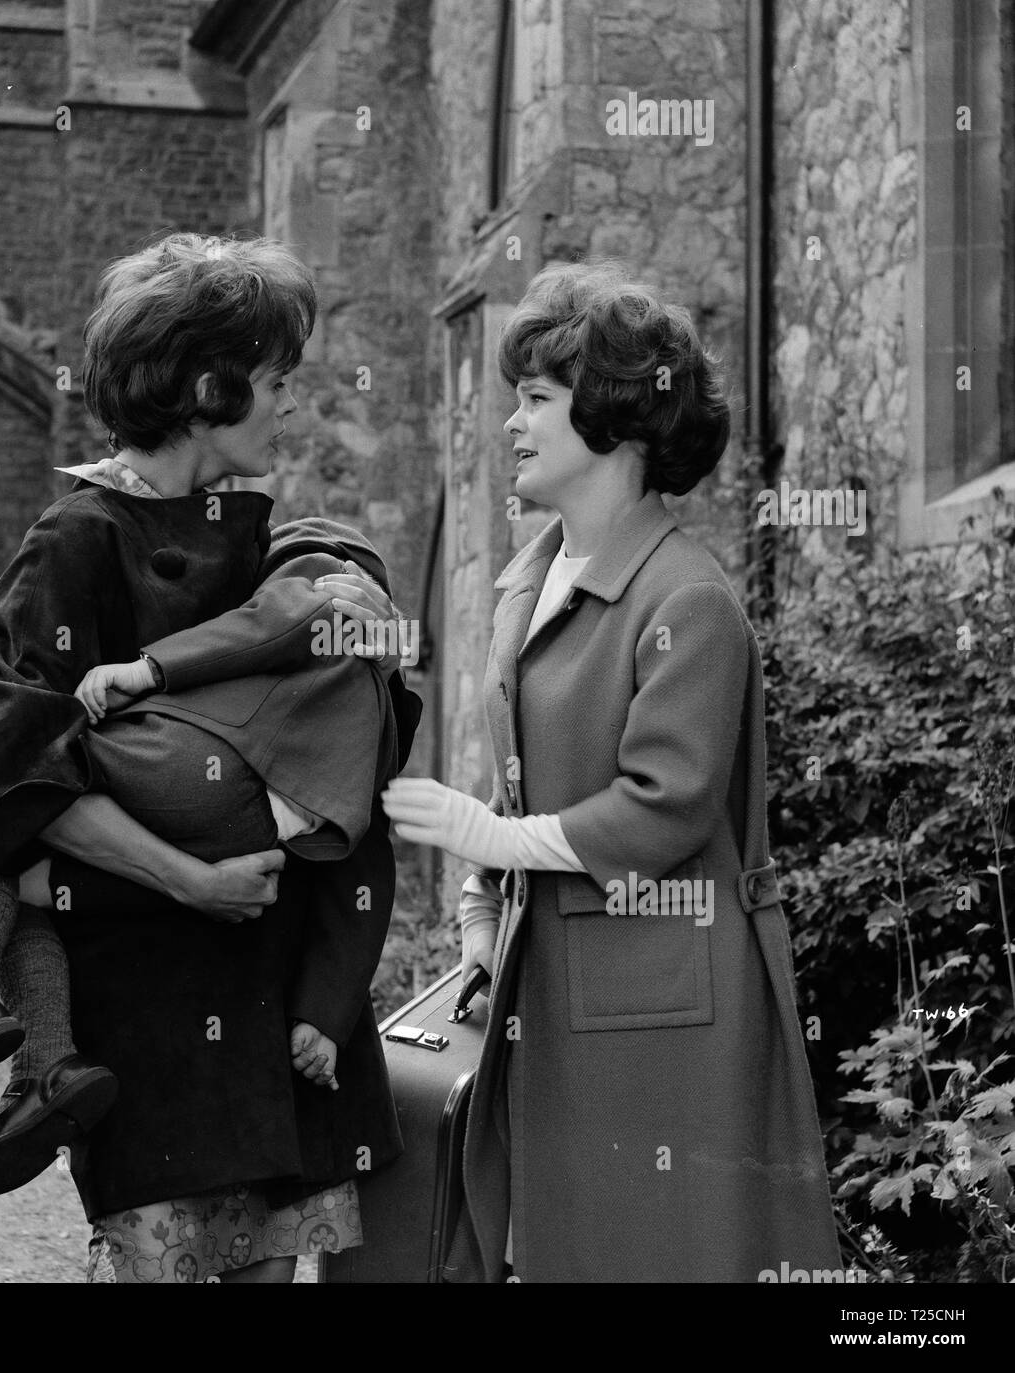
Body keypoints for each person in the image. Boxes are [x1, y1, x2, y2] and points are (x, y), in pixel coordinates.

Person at [0, 233, 418, 1282]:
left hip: (274, 1002)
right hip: (146, 1017)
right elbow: (17, 781)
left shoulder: (271, 546)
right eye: (276, 381)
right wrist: (193, 878)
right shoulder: (73, 542)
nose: (291, 404)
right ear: (209, 388)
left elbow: (352, 748)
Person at [382, 261, 841, 1283]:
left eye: (536, 400)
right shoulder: (525, 582)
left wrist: (492, 841)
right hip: (547, 987)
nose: (511, 423)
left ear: (616, 423)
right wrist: (476, 910)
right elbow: (517, 784)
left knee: (654, 1249)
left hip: (666, 1004)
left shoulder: (688, 599)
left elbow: (664, 805)